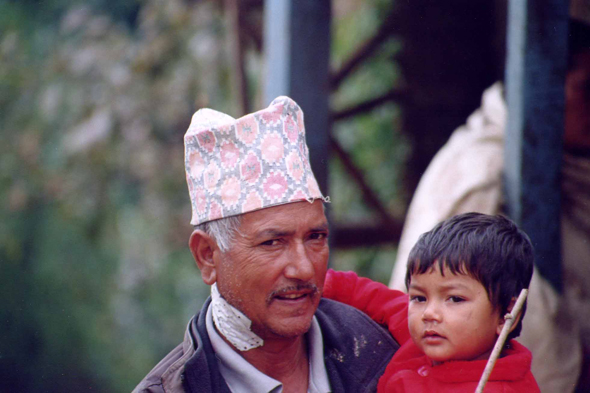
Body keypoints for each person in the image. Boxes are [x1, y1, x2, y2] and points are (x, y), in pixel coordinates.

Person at [133, 96, 399, 393]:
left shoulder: (383, 356)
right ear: (208, 256)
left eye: (315, 238)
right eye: (273, 242)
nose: (303, 268)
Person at [388, 9, 590, 392]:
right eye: (588, 88)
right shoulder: (481, 172)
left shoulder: (562, 166)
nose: (430, 312)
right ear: (545, 83)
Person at [324, 212, 540, 392]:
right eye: (419, 297)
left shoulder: (501, 388)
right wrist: (309, 282)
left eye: (455, 299)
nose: (429, 313)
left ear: (507, 314)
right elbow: (363, 293)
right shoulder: (424, 335)